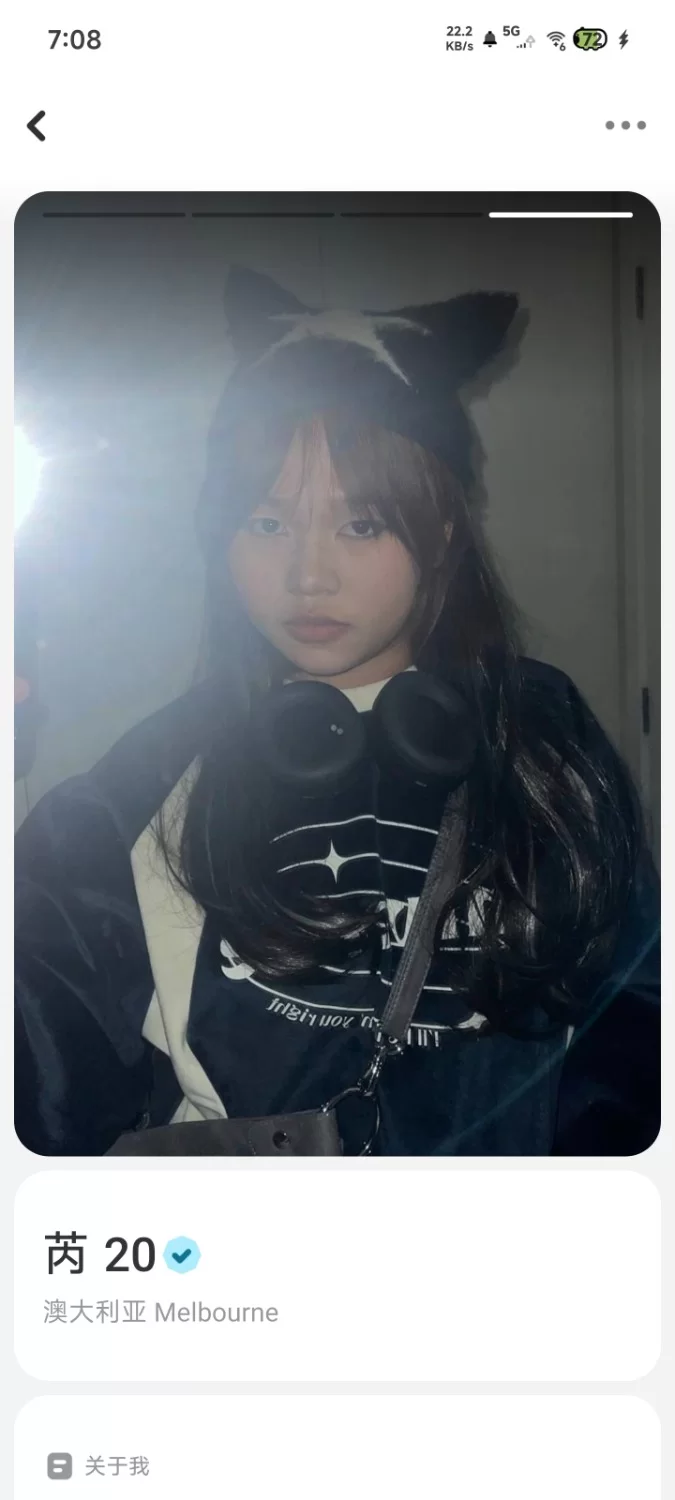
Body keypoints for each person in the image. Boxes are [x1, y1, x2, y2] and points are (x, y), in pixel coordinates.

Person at [14, 266, 660, 1157]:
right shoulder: (148, 781)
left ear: (441, 531)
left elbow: (630, 1026)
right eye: (267, 523)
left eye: (361, 525)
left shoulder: (543, 745)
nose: (308, 575)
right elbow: (46, 1076)